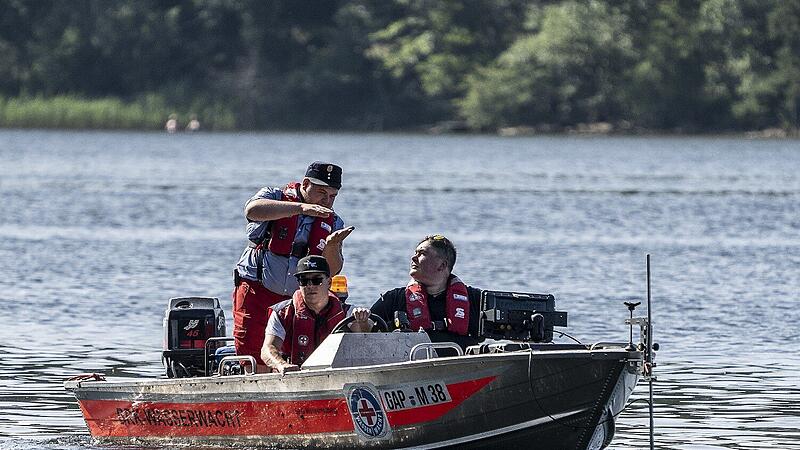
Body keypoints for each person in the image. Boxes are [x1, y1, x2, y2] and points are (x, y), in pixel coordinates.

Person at [233, 161, 355, 366]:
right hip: (256, 289)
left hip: (294, 298)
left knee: (293, 351)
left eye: (332, 196)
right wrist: (300, 209)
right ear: (305, 184)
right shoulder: (275, 196)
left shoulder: (334, 222)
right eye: (321, 193)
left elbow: (331, 269)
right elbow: (252, 211)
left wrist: (332, 245)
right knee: (251, 351)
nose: (327, 201)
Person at [370, 235, 483, 350]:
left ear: (442, 265)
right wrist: (362, 320)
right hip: (413, 363)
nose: (413, 258)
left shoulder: (476, 300)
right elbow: (361, 330)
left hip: (464, 364)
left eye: (422, 253)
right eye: (415, 253)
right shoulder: (394, 299)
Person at [261, 255, 371, 374]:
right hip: (295, 377)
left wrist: (363, 321)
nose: (310, 286)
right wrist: (281, 365)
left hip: (338, 376)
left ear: (329, 282)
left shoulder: (348, 313)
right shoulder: (282, 313)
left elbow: (366, 338)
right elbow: (267, 349)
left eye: (316, 280)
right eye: (304, 281)